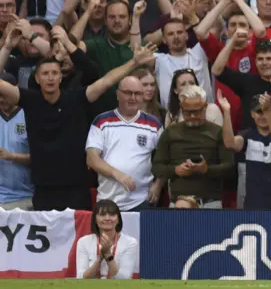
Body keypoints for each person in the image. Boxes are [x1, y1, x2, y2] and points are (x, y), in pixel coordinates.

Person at [0, 43, 155, 211]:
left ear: (61, 77)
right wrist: (8, 46)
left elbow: (106, 81)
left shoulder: (77, 98)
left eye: (54, 73)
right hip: (43, 188)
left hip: (76, 188)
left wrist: (134, 62)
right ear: (37, 78)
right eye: (45, 74)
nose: (50, 78)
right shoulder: (29, 99)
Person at [86, 76, 164, 212]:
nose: (133, 98)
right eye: (128, 93)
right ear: (117, 94)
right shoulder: (102, 121)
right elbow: (92, 159)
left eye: (137, 94)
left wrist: (158, 184)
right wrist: (117, 174)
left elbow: (166, 158)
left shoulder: (154, 124)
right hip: (107, 201)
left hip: (142, 201)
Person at [152, 85, 234, 208]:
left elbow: (230, 167)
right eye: (187, 112)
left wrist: (207, 169)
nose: (192, 116)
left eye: (197, 111)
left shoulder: (217, 132)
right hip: (179, 204)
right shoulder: (170, 132)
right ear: (181, 108)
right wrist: (176, 170)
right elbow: (156, 167)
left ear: (205, 107)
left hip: (210, 203)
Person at [220, 91, 271, 210]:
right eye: (259, 112)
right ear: (252, 114)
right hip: (255, 206)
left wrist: (268, 113)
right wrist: (227, 111)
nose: (263, 116)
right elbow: (230, 143)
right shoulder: (247, 135)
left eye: (267, 111)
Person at [76, 200, 138, 279]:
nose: (107, 218)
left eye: (112, 214)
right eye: (102, 215)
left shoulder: (130, 242)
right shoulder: (83, 242)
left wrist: (108, 255)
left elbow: (124, 279)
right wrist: (100, 258)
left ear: (118, 219)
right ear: (95, 219)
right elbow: (81, 278)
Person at [0, 71, 32, 210]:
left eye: (4, 94)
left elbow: (42, 158)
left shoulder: (31, 115)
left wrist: (12, 156)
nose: (1, 99)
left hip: (26, 197)